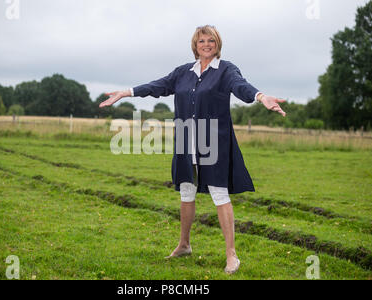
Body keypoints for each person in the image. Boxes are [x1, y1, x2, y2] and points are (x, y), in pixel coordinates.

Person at [99, 25, 286, 274]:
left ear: (217, 43)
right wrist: (126, 93)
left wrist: (262, 97)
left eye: (210, 40)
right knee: (186, 191)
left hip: (215, 142)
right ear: (195, 45)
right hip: (186, 140)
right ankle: (184, 245)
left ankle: (232, 255)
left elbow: (242, 87)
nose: (206, 44)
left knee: (220, 194)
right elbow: (158, 86)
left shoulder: (226, 70)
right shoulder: (183, 72)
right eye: (201, 41)